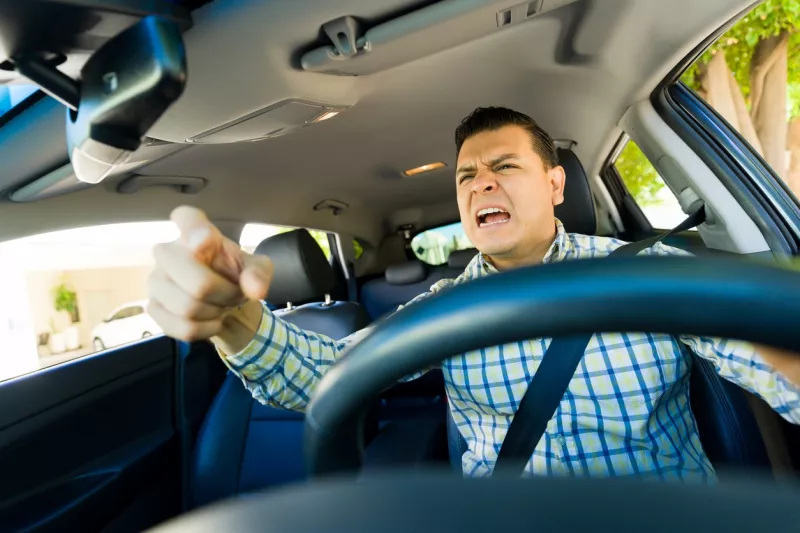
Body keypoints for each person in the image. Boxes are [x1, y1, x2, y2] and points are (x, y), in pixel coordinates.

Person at [148, 106, 800, 482]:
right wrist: (235, 319)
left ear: (553, 185)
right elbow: (327, 373)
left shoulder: (652, 270)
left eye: (504, 167)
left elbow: (764, 355)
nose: (481, 184)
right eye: (467, 177)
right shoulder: (443, 308)